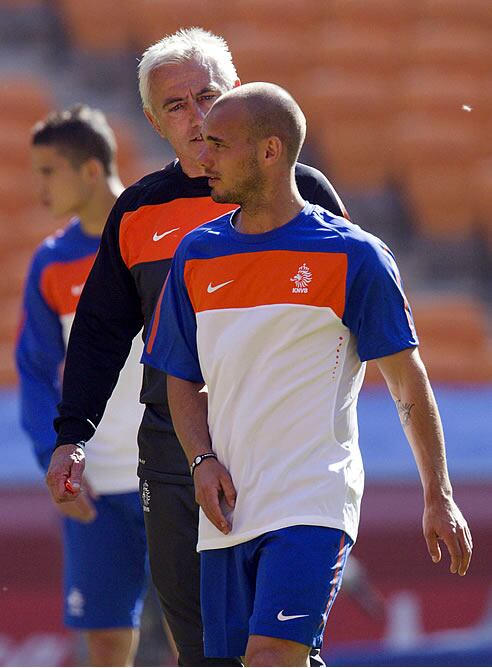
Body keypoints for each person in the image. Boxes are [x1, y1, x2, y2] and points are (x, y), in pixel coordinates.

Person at [141, 82, 473, 667]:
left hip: (311, 500)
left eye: (218, 143)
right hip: (226, 507)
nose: (203, 157)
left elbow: (405, 381)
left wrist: (438, 494)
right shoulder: (195, 254)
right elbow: (180, 376)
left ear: (270, 152)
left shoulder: (354, 255)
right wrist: (201, 459)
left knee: (272, 656)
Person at [45, 28, 349, 667]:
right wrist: (72, 435)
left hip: (282, 453)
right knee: (206, 653)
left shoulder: (303, 192)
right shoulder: (136, 212)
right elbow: (99, 335)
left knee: (281, 651)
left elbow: (353, 323)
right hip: (173, 457)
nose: (198, 116)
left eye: (208, 95)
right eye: (176, 106)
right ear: (154, 121)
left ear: (236, 94)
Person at [16, 106, 148, 667]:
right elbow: (35, 371)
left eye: (48, 172)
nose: (38, 187)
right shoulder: (50, 262)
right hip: (97, 486)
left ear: (90, 171)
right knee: (108, 644)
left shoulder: (162, 239)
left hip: (180, 473)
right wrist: (55, 458)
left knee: (206, 639)